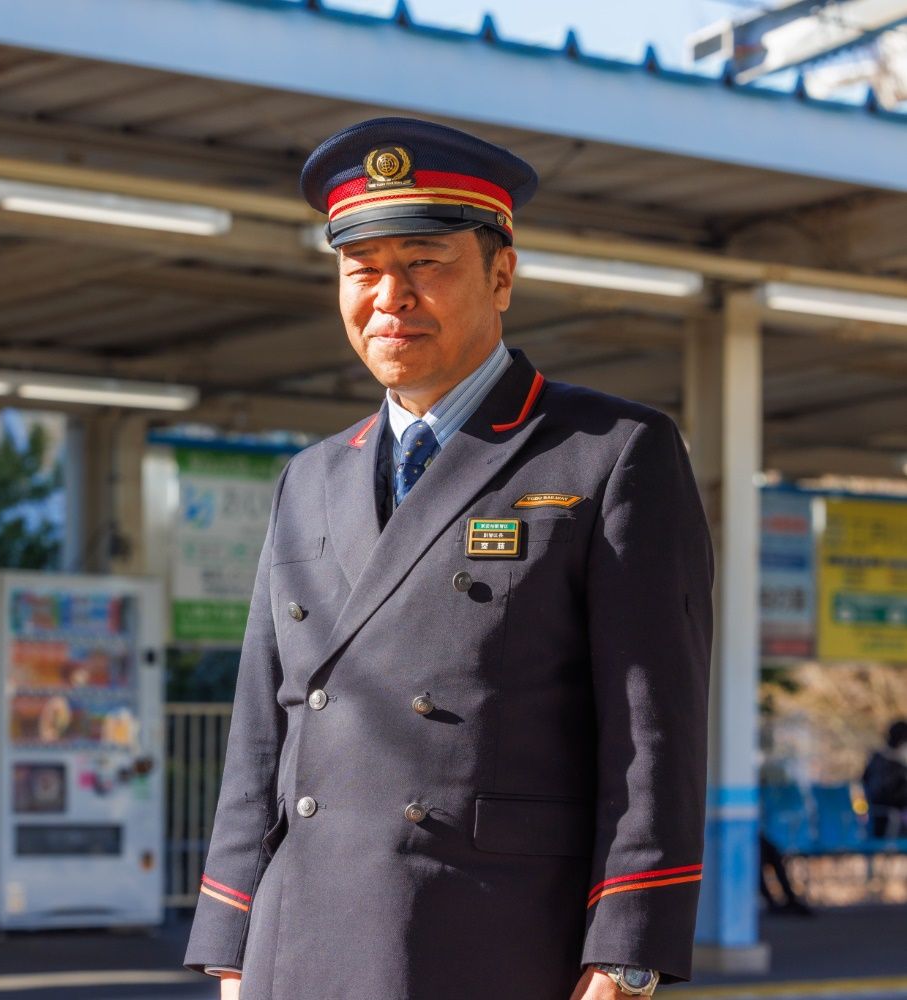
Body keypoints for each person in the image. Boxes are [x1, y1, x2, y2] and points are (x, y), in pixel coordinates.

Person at [182, 118, 713, 1000]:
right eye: (363, 269)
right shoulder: (309, 478)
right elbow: (260, 732)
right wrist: (232, 945)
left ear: (500, 274)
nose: (389, 295)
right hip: (299, 941)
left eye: (424, 263)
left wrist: (625, 954)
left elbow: (650, 735)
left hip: (493, 936)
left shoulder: (606, 451)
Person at [863, 719, 907, 839]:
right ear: (902, 742)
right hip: (890, 824)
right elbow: (888, 796)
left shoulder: (875, 760)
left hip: (875, 822)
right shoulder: (895, 766)